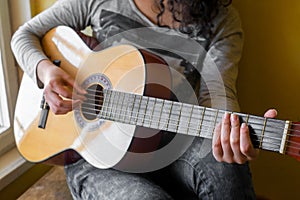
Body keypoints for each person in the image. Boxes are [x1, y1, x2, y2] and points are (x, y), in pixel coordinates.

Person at [11, 0, 277, 199]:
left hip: (174, 141)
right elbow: (23, 36)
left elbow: (218, 94)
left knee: (229, 171)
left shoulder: (222, 19)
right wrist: (46, 72)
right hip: (94, 152)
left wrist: (232, 134)